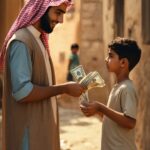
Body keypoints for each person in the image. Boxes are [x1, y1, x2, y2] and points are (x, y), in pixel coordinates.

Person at [0, 0, 84, 150]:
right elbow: (22, 92)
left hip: (41, 131)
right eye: (57, 13)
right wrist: (63, 89)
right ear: (42, 9)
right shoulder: (22, 41)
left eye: (63, 14)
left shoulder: (38, 40)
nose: (60, 20)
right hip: (27, 136)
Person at [80, 37, 141, 150]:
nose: (106, 59)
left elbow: (130, 122)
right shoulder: (117, 87)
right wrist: (97, 111)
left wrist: (101, 107)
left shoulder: (127, 88)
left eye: (111, 56)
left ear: (123, 62)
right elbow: (115, 118)